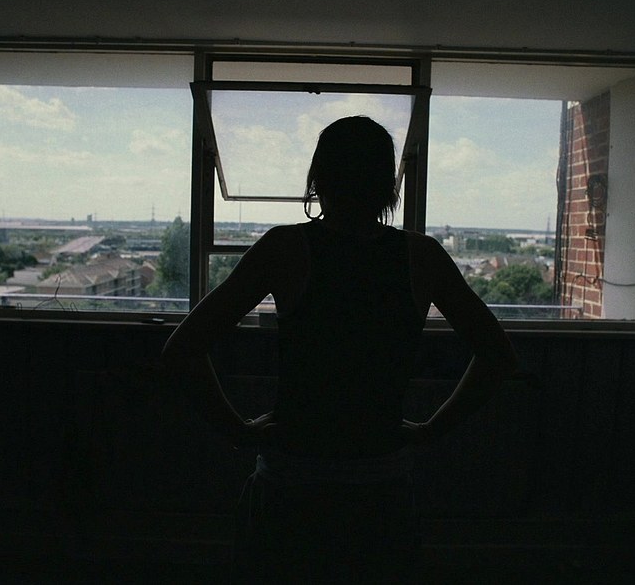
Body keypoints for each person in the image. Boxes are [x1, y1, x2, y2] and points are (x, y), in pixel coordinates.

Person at [161, 116, 517, 583]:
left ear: (318, 178)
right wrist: (432, 430)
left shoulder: (285, 248)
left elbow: (182, 350)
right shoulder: (422, 257)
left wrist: (238, 431)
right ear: (387, 186)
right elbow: (498, 356)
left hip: (292, 480)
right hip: (381, 484)